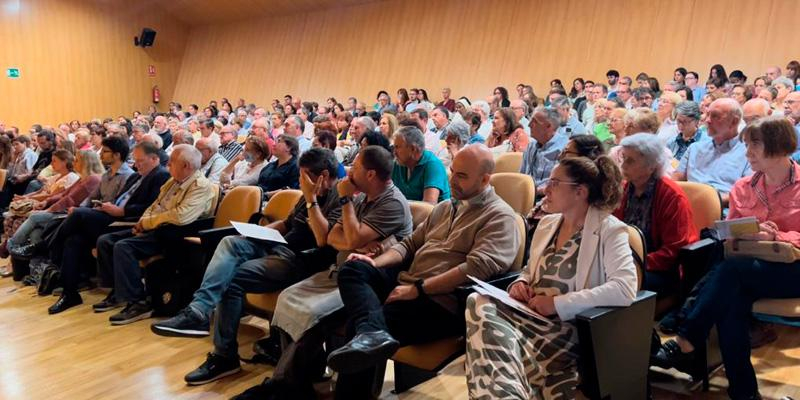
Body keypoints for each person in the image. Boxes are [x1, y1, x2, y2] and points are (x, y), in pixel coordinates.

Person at [327, 145, 521, 398]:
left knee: (359, 323)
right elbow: (408, 245)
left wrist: (418, 289)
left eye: (462, 176)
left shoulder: (500, 216)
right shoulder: (445, 208)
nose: (452, 180)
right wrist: (376, 263)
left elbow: (476, 269)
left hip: (442, 302)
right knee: (354, 268)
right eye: (452, 171)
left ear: (485, 179)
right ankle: (371, 333)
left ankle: (368, 338)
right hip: (410, 284)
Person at [232, 146, 412, 399]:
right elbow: (333, 238)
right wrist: (352, 238)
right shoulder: (361, 198)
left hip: (363, 286)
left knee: (312, 314)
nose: (348, 170)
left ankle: (283, 385)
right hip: (336, 272)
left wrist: (347, 208)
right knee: (288, 298)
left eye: (356, 166)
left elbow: (347, 238)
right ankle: (303, 378)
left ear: (370, 175)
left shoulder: (391, 202)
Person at [465, 155, 636, 399]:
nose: (546, 188)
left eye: (555, 183)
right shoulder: (548, 225)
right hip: (531, 317)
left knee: (488, 345)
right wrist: (521, 282)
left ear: (580, 192)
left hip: (569, 328)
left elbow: (624, 288)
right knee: (477, 301)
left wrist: (557, 304)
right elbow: (530, 270)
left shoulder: (610, 230)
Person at [654, 117, 800, 400]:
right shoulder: (743, 186)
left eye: (755, 144)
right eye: (746, 145)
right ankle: (743, 392)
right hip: (748, 268)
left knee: (731, 273)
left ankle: (687, 338)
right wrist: (748, 236)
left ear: (780, 146)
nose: (748, 153)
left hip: (793, 269)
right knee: (731, 301)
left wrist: (777, 238)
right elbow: (728, 233)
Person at [154, 148, 342, 349]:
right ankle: (199, 310)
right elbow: (286, 224)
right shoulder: (307, 195)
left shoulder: (338, 198)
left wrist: (311, 199)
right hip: (279, 246)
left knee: (230, 278)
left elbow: (323, 239)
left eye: (304, 176)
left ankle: (223, 353)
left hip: (300, 260)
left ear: (323, 176)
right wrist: (256, 232)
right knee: (230, 241)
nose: (300, 180)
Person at [96, 144, 216, 325]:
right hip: (155, 228)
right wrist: (142, 223)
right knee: (105, 241)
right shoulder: (172, 181)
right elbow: (154, 206)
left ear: (187, 166)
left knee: (123, 247)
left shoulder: (201, 185)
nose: (168, 165)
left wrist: (147, 223)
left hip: (174, 234)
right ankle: (119, 292)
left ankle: (138, 302)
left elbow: (181, 216)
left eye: (173, 162)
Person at [48, 142, 170, 314]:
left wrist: (121, 211)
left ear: (155, 159)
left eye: (141, 160)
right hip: (112, 216)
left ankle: (49, 247)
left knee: (78, 214)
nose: (136, 164)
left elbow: (150, 207)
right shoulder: (136, 176)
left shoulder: (161, 176)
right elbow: (120, 199)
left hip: (126, 221)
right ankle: (70, 293)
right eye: (135, 160)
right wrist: (108, 206)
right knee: (73, 240)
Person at [613, 134, 698, 296]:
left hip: (661, 270)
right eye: (623, 158)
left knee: (613, 285)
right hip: (625, 263)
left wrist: (632, 264)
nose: (623, 165)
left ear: (651, 166)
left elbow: (674, 251)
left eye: (630, 160)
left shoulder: (671, 196)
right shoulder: (623, 189)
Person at [7, 150, 105, 256]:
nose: (74, 162)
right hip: (65, 211)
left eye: (77, 160)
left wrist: (49, 209)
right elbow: (64, 194)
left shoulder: (92, 179)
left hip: (69, 216)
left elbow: (70, 199)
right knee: (37, 232)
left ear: (86, 163)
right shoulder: (83, 178)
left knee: (33, 217)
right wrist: (46, 202)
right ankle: (36, 265)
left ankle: (9, 246)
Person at [673, 98, 752, 206]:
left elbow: (747, 193)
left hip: (722, 212)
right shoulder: (695, 148)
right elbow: (676, 179)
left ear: (734, 121)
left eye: (715, 116)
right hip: (688, 208)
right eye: (707, 115)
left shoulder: (749, 153)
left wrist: (709, 202)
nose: (707, 120)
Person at [1, 149, 79, 257]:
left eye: (54, 161)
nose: (51, 164)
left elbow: (51, 196)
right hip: (42, 204)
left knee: (17, 222)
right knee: (9, 218)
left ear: (64, 162)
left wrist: (26, 200)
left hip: (48, 207)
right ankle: (13, 255)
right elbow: (40, 191)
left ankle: (10, 248)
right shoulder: (56, 176)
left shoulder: (71, 177)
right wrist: (24, 197)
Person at [391, 126, 450, 204]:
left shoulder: (433, 165)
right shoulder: (398, 163)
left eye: (397, 147)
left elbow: (428, 206)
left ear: (413, 149)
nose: (394, 152)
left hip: (431, 215)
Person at [520, 107, 569, 195]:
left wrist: (536, 191)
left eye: (534, 122)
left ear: (549, 126)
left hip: (548, 197)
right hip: (525, 195)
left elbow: (562, 184)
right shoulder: (531, 146)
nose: (529, 125)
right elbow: (521, 176)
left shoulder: (564, 149)